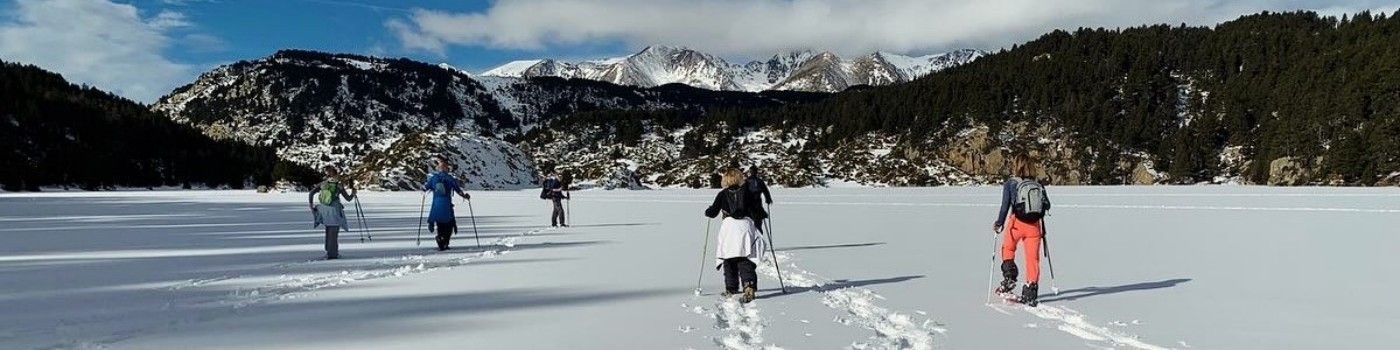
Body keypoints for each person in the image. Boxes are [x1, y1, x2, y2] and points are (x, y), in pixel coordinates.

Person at [992, 157, 1052, 306]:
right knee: (1033, 259)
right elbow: (1047, 205)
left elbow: (1005, 206)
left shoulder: (1011, 183)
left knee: (1008, 249)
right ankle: (1031, 291)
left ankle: (1009, 277)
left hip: (1016, 224)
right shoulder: (1038, 183)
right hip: (1034, 227)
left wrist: (999, 223)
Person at [705, 168, 768, 303]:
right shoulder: (748, 192)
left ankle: (731, 288)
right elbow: (757, 210)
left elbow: (713, 212)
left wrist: (708, 211)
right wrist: (763, 214)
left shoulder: (722, 194)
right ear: (740, 178)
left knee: (729, 259)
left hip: (728, 228)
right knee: (745, 258)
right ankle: (749, 284)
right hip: (745, 227)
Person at [309, 166, 357, 259]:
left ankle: (329, 252)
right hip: (334, 211)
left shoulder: (323, 184)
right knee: (334, 234)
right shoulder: (338, 185)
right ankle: (333, 255)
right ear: (336, 175)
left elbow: (311, 193)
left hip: (324, 211)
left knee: (328, 232)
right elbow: (348, 199)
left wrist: (311, 205)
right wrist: (353, 193)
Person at [424, 159, 470, 251]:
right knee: (449, 224)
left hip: (436, 205)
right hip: (446, 204)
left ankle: (440, 238)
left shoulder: (434, 178)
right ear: (446, 169)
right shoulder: (449, 178)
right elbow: (458, 190)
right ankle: (445, 242)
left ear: (438, 169)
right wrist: (465, 196)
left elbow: (425, 187)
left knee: (440, 224)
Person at [744, 166, 773, 232]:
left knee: (750, 225)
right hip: (758, 206)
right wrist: (768, 199)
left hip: (748, 207)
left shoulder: (746, 182)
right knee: (758, 224)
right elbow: (766, 191)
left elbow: (742, 193)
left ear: (750, 172)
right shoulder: (759, 181)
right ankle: (759, 237)